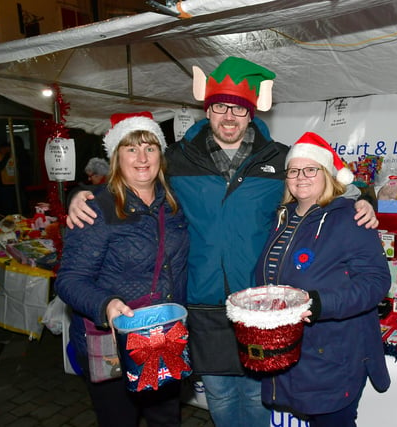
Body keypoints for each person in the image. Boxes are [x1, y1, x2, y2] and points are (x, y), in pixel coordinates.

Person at [66, 56, 378, 427]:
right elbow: (134, 176)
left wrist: (363, 200)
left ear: (251, 113)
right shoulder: (176, 159)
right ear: (207, 109)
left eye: (238, 109)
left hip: (258, 305)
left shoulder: (278, 158)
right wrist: (81, 194)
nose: (229, 117)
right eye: (219, 107)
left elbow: (326, 180)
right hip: (201, 303)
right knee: (220, 396)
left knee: (257, 395)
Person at [56, 112, 190, 427]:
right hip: (114, 343)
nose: (142, 157)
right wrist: (105, 305)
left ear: (161, 154)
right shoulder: (97, 209)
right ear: (116, 156)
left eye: (150, 147)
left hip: (165, 337)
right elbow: (69, 280)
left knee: (167, 419)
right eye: (131, 149)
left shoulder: (174, 205)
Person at [255, 131, 391, 427]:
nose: (300, 177)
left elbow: (377, 281)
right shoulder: (283, 217)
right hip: (292, 351)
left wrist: (319, 303)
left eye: (310, 169)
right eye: (293, 170)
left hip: (333, 356)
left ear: (327, 174)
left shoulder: (349, 218)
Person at [0, 142, 17, 214]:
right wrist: (7, 156)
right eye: (5, 148)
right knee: (6, 204)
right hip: (3, 184)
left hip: (14, 183)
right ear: (1, 149)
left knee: (14, 204)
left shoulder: (12, 155)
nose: (7, 150)